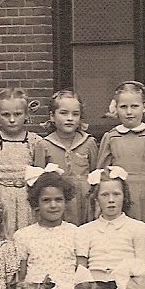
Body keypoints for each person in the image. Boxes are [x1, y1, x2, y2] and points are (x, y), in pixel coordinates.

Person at [76, 167, 145, 289]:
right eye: (104, 195)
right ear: (96, 199)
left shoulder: (138, 228)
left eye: (116, 194)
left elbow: (142, 266)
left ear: (125, 197)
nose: (111, 200)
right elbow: (81, 269)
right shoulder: (84, 230)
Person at [14, 170, 80, 289]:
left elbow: (80, 270)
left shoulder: (76, 232)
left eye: (59, 200)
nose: (53, 205)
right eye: (46, 200)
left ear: (66, 202)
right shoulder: (23, 235)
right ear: (36, 203)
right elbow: (20, 276)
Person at [0, 87, 48, 237]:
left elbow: (39, 177)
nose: (11, 119)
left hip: (26, 197)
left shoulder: (35, 142)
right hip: (0, 195)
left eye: (17, 114)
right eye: (5, 115)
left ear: (26, 115)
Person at [98, 81, 145, 225]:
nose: (129, 112)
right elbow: (102, 172)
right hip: (117, 195)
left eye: (134, 106)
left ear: (144, 107)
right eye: (123, 107)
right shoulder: (111, 137)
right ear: (115, 108)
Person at [40, 90, 99, 226]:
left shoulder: (89, 142)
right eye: (64, 113)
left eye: (75, 114)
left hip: (85, 202)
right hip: (58, 203)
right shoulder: (44, 145)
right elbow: (39, 182)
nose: (70, 118)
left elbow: (96, 174)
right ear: (52, 116)